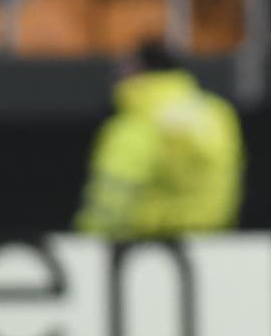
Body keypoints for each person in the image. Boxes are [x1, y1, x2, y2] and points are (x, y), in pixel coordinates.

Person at [75, 42, 244, 239]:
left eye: (123, 69)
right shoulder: (218, 113)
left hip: (147, 241)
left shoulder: (138, 118)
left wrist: (89, 238)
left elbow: (110, 196)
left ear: (138, 70)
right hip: (217, 238)